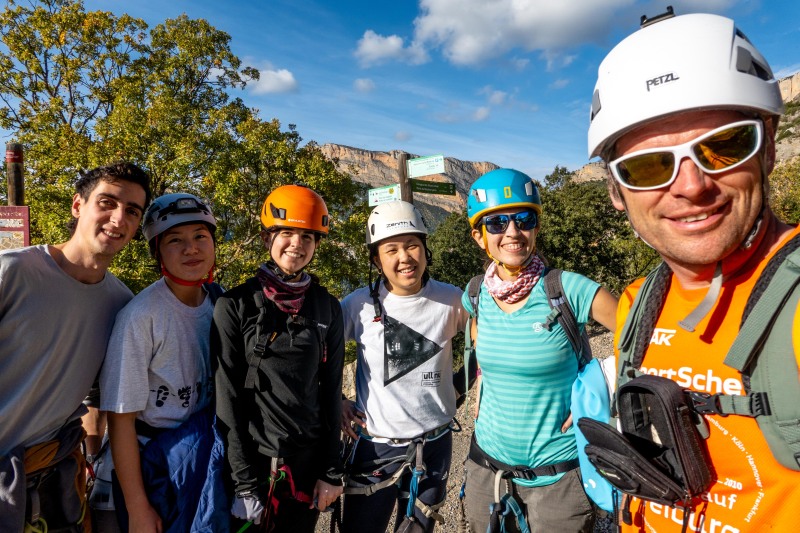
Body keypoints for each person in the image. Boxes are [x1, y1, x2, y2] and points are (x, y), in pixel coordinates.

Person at [587, 10, 800, 532]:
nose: (691, 186)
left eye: (725, 145)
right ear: (617, 191)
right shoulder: (640, 301)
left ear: (769, 146)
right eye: (649, 166)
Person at [462, 168, 617, 533]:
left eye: (524, 219)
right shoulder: (474, 295)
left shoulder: (567, 289)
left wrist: (601, 388)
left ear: (536, 226)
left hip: (559, 477)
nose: (512, 232)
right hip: (487, 468)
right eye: (497, 222)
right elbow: (481, 360)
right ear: (479, 236)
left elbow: (643, 338)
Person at [0, 162, 151, 532]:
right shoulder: (12, 273)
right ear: (77, 206)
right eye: (107, 202)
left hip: (48, 479)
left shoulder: (121, 303)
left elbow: (99, 394)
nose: (119, 218)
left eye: (132, 211)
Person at [212, 184, 344, 531]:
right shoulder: (236, 305)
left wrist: (331, 470)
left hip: (306, 465)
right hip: (254, 462)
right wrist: (242, 482)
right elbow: (227, 396)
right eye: (286, 233)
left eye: (307, 237)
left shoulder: (326, 306)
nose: (297, 245)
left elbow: (331, 391)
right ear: (267, 237)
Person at [98, 193, 224, 532]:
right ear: (157, 253)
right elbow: (120, 419)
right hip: (152, 462)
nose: (191, 248)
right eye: (175, 241)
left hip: (198, 455)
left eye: (200, 236)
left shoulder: (219, 303)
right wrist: (138, 507)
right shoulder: (141, 318)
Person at [339, 200, 468, 532]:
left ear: (425, 249)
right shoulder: (358, 305)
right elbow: (320, 355)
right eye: (391, 249)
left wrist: (461, 382)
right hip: (376, 446)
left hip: (435, 443)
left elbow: (486, 340)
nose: (404, 257)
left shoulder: (452, 299)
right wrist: (336, 399)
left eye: (412, 246)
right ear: (376, 260)